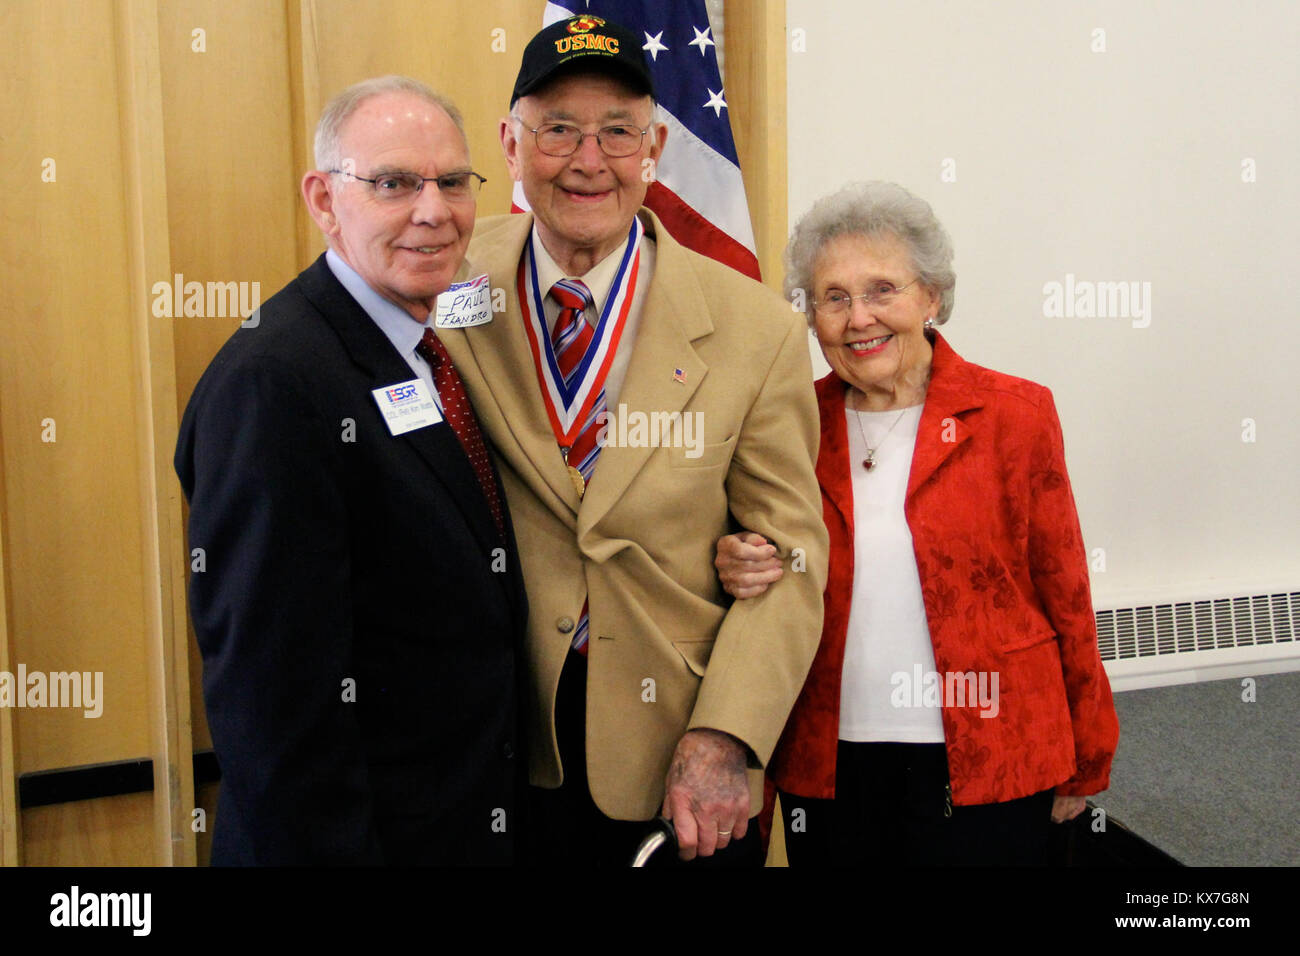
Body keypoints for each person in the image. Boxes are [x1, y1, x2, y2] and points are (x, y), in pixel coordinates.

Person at [437, 15, 828, 865]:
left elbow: (791, 562)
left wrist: (727, 736)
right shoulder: (444, 280)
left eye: (618, 132)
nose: (589, 160)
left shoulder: (754, 329)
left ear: (655, 145)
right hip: (492, 736)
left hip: (673, 748)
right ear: (510, 143)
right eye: (559, 130)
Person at [175, 76, 526, 865]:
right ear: (324, 200)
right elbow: (275, 706)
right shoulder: (276, 384)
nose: (433, 211)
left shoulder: (426, 347)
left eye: (452, 183)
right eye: (394, 183)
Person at [716, 181, 1119, 866]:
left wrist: (1089, 753)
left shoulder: (1015, 414)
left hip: (995, 747)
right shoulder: (786, 423)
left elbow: (1065, 590)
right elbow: (753, 562)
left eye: (882, 291)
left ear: (930, 298)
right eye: (833, 298)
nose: (858, 318)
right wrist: (730, 559)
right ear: (810, 317)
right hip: (827, 755)